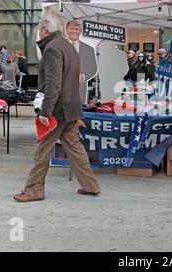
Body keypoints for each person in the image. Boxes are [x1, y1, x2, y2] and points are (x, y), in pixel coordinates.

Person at [14, 13, 101, 203]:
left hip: (58, 110)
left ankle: (34, 190)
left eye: (39, 30)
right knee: (75, 148)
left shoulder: (52, 49)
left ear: (45, 30)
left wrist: (45, 112)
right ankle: (90, 185)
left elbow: (53, 84)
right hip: (71, 107)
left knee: (42, 150)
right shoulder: (69, 47)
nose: (38, 33)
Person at [65, 20, 98, 104]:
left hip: (80, 89)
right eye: (71, 29)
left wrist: (83, 76)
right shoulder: (59, 46)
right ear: (66, 31)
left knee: (79, 114)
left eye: (76, 29)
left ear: (80, 31)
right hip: (62, 88)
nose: (74, 31)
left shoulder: (89, 49)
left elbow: (93, 67)